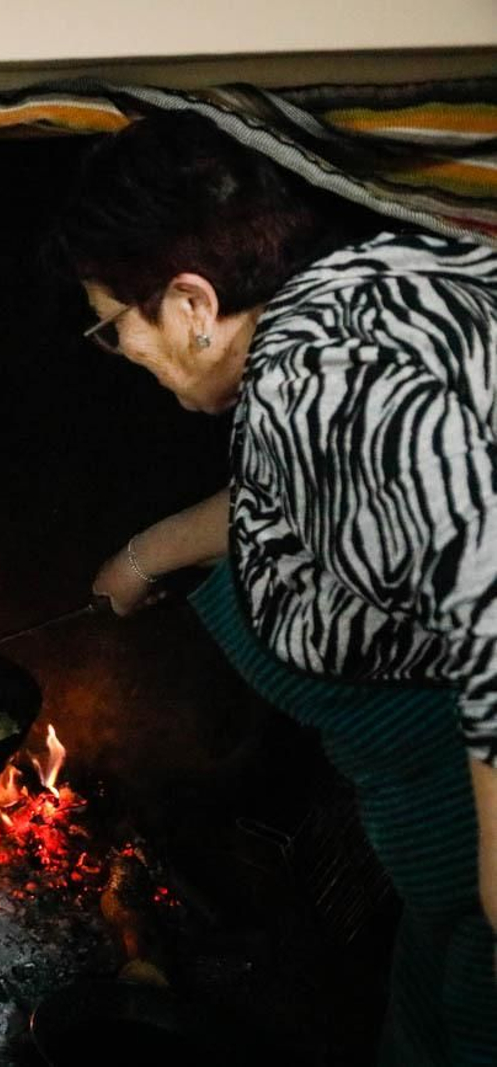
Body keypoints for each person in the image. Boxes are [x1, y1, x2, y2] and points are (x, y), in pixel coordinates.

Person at [55, 109, 497, 1065]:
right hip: (444, 861)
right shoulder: (350, 301)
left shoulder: (321, 391)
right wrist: (144, 555)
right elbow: (301, 490)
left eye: (110, 324)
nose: (120, 351)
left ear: (188, 302)